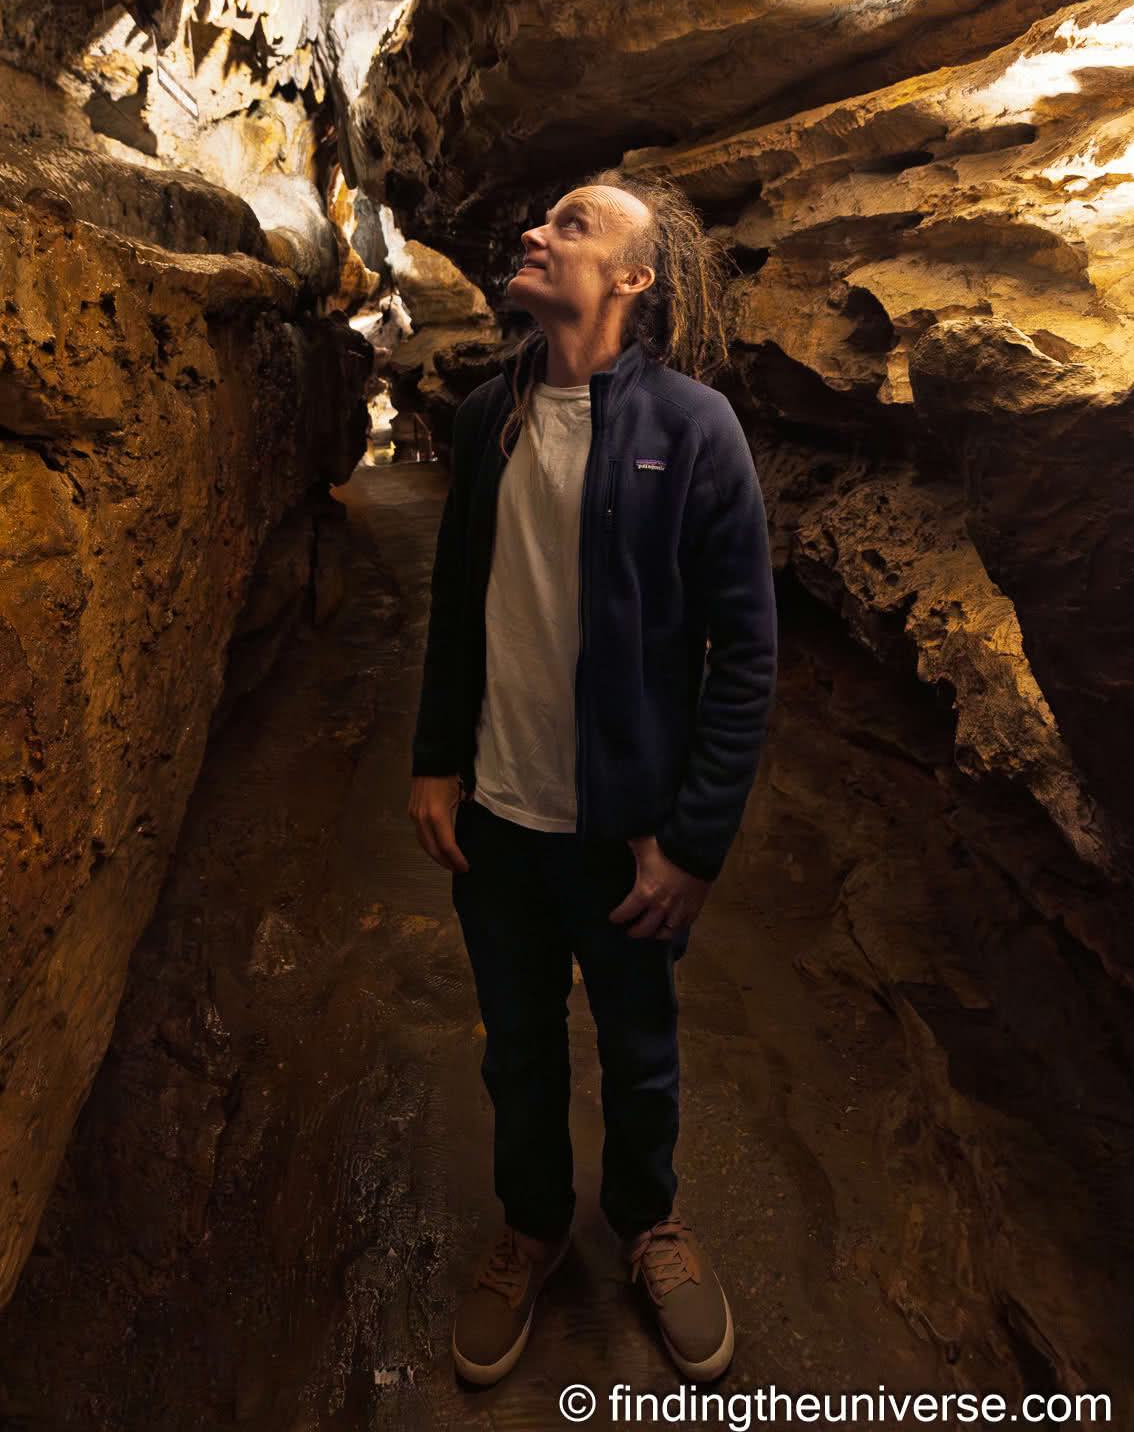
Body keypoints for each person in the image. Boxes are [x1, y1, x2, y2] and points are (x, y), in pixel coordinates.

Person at [407, 168, 778, 1389]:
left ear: (632, 278)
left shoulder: (692, 428)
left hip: (626, 836)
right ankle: (530, 1224)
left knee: (638, 1050)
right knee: (515, 1046)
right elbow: (456, 605)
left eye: (572, 223)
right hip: (499, 821)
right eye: (542, 216)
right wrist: (435, 759)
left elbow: (745, 654)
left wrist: (693, 841)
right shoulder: (484, 417)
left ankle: (646, 1223)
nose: (534, 230)